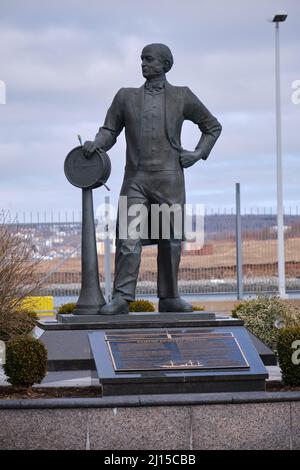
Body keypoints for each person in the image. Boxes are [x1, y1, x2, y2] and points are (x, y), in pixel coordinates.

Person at [83, 43, 222, 314]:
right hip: (136, 178)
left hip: (170, 178)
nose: (143, 64)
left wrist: (198, 154)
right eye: (142, 59)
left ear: (165, 65)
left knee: (171, 240)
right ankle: (122, 298)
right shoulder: (125, 97)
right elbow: (109, 130)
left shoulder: (183, 96)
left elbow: (212, 127)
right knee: (127, 237)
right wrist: (97, 143)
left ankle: (169, 297)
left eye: (149, 60)